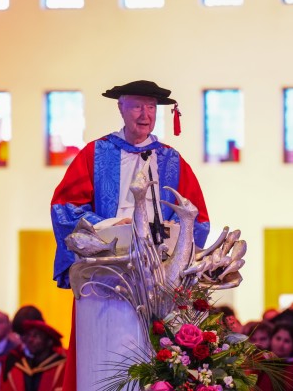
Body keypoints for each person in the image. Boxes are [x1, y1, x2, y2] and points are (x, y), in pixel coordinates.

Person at [50, 80, 211, 390]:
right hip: (108, 271)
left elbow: (198, 219)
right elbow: (65, 207)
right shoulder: (96, 153)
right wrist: (112, 224)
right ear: (120, 107)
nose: (145, 114)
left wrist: (174, 241)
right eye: (137, 106)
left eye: (151, 107)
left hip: (158, 275)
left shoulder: (170, 160)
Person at [0, 320, 67, 391]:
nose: (30, 340)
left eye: (36, 336)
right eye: (28, 335)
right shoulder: (18, 368)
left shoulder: (63, 368)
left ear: (49, 342)